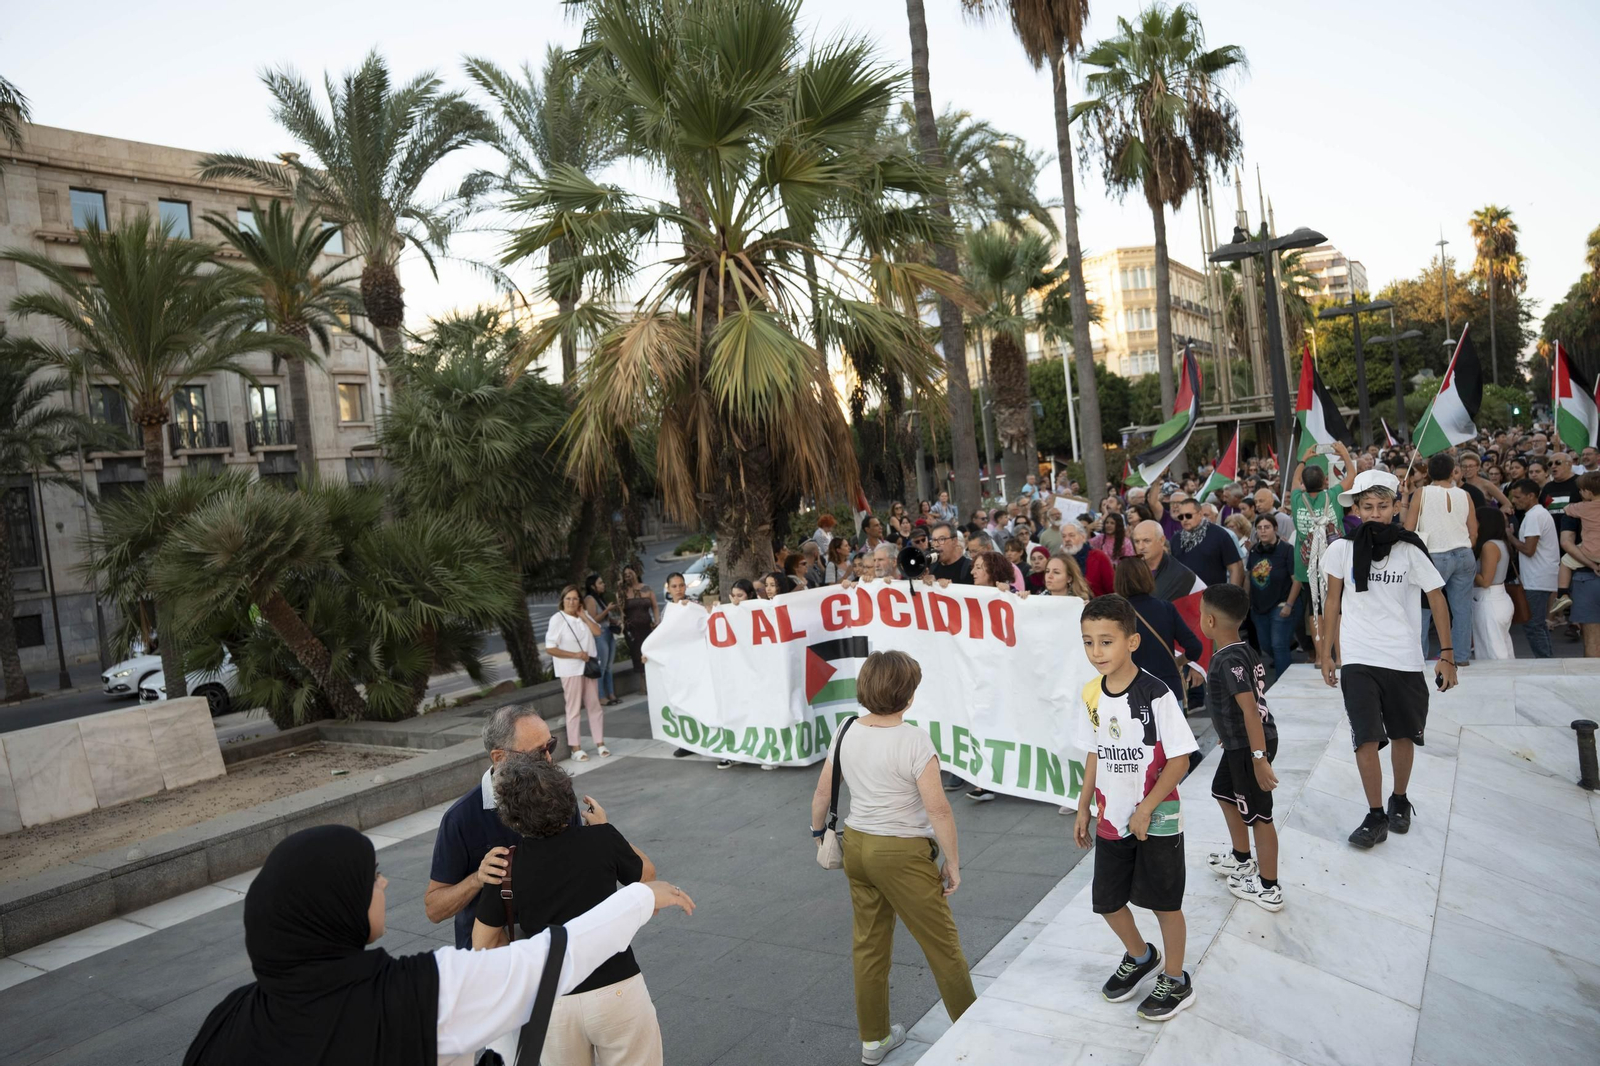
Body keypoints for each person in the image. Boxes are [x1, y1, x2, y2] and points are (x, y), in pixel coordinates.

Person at [183, 825, 694, 1066]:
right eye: (372, 878)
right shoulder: (417, 995)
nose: (383, 885)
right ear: (334, 907)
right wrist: (640, 899)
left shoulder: (228, 1020)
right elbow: (551, 957)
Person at [809, 651, 976, 1065]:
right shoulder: (914, 739)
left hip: (859, 846)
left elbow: (822, 794)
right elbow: (938, 809)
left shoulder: (845, 728)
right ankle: (976, 1036)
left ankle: (874, 1041)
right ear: (909, 696)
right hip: (902, 853)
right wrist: (952, 861)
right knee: (943, 947)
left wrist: (818, 836)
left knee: (869, 946)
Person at [472, 755, 663, 1066]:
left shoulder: (506, 866)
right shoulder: (601, 839)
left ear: (511, 816)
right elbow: (647, 878)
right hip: (617, 987)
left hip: (550, 999)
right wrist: (606, 827)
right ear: (566, 799)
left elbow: (482, 944)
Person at [1072, 594, 1199, 1021]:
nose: (1096, 652)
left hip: (1157, 816)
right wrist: (1084, 802)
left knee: (1164, 902)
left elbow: (1180, 759)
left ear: (1132, 641)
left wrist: (1146, 807)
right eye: (1088, 642)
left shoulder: (1156, 693)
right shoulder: (1091, 693)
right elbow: (1094, 750)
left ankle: (1177, 979)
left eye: (1106, 642)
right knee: (1107, 900)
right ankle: (1141, 956)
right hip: (1111, 816)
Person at [1319, 470, 1457, 849]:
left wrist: (1447, 655)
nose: (1375, 513)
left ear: (1396, 508)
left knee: (1401, 734)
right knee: (1364, 737)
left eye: (1383, 506)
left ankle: (1400, 798)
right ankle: (1375, 814)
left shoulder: (1411, 549)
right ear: (1357, 509)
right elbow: (1332, 601)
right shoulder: (1340, 549)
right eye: (1368, 506)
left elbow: (1437, 597)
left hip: (1404, 657)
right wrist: (1327, 651)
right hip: (1359, 657)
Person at [427, 705, 560, 949]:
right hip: (491, 956)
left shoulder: (558, 795)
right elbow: (434, 909)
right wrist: (477, 878)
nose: (549, 759)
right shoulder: (461, 818)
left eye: (550, 746)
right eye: (537, 754)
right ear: (499, 757)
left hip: (553, 946)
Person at [1196, 584, 1281, 912]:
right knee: (1223, 791)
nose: (1200, 620)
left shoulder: (1228, 659)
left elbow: (1249, 709)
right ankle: (1242, 858)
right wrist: (1226, 731)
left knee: (1260, 815)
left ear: (1211, 622)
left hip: (1251, 746)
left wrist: (1259, 759)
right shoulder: (1240, 650)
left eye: (1202, 614)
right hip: (1240, 742)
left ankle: (1269, 887)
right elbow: (1236, 707)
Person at [1405, 453, 1477, 666]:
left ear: (1428, 472)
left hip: (1434, 554)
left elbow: (1409, 528)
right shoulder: (1465, 494)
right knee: (1462, 608)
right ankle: (1462, 657)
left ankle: (1420, 656)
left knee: (1425, 608)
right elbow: (1474, 529)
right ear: (1453, 471)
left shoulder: (1421, 493)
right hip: (1464, 552)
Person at [1113, 556, 1203, 705]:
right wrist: (1177, 662)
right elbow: (1195, 648)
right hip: (1169, 689)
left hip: (1132, 690)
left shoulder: (1116, 614)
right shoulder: (1166, 608)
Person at [1289, 442, 1356, 637]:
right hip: (1334, 562)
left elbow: (1294, 480)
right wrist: (1344, 452)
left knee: (1314, 609)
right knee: (1339, 607)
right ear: (1326, 481)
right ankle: (1339, 658)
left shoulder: (1296, 499)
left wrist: (1303, 459)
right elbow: (1351, 476)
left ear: (1303, 483)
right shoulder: (1333, 495)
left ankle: (1319, 657)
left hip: (1307, 564)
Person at [548, 585, 607, 763]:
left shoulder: (583, 616)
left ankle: (600, 743)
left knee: (594, 706)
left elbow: (597, 632)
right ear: (562, 600)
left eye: (575, 599)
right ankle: (576, 747)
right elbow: (550, 648)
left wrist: (583, 616)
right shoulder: (557, 619)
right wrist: (575, 655)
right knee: (573, 709)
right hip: (570, 670)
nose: (572, 602)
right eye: (568, 599)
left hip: (588, 669)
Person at [1245, 515, 1298, 685]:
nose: (1263, 531)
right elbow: (1248, 576)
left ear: (1275, 528)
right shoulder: (1254, 551)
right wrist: (1246, 601)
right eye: (1259, 528)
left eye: (1266, 527)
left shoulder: (1287, 550)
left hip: (1280, 604)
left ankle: (1284, 683)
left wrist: (1289, 604)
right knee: (1266, 645)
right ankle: (1286, 662)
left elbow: (1296, 579)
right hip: (1258, 607)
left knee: (1278, 645)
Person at [1559, 472, 1600, 657]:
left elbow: (1566, 542)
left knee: (1591, 639)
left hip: (1586, 571)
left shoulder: (1580, 508)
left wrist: (1592, 565)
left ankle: (1562, 593)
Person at [1471, 507, 1515, 660]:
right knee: (1502, 648)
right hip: (1498, 599)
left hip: (1489, 601)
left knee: (1493, 653)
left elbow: (1485, 581)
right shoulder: (1501, 542)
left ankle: (1503, 683)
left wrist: (1467, 569)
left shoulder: (1489, 546)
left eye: (1475, 521)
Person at [1133, 520, 1204, 604]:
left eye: (1146, 541)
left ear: (1162, 540)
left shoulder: (1182, 576)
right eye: (1137, 541)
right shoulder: (1130, 571)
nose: (1140, 547)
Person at [583, 573, 622, 707]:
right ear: (593, 586)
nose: (603, 585)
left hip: (608, 632)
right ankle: (601, 696)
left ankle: (611, 694)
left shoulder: (599, 598)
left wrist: (614, 620)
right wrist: (607, 610)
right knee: (602, 666)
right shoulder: (590, 599)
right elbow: (593, 620)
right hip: (599, 635)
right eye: (600, 583)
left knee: (609, 667)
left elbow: (605, 618)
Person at [620, 565, 659, 686]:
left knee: (650, 653)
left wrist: (656, 621)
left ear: (636, 573)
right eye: (625, 575)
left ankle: (653, 682)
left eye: (630, 573)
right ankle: (643, 684)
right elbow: (621, 611)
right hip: (633, 629)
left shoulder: (646, 588)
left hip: (647, 627)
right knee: (637, 655)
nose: (628, 576)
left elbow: (655, 606)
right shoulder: (623, 592)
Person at [1063, 521, 1115, 596]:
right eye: (1064, 536)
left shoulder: (1098, 557)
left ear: (1083, 537)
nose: (1067, 539)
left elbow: (1112, 589)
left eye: (1071, 535)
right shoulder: (1060, 560)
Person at [1540, 452, 1582, 517]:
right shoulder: (1547, 487)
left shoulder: (1581, 482)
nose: (1553, 466)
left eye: (1558, 462)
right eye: (1550, 464)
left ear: (1569, 464)